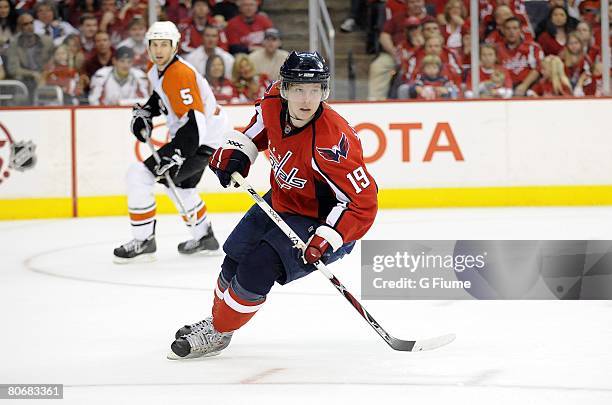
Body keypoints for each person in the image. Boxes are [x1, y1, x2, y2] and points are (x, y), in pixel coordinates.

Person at [168, 51, 378, 359]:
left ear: (324, 91)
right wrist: (238, 153)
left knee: (257, 268)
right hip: (280, 200)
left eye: (315, 90)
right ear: (284, 88)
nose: (307, 99)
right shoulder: (273, 102)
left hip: (319, 220)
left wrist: (326, 238)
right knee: (234, 258)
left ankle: (219, 332)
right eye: (299, 90)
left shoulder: (333, 142)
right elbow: (260, 128)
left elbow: (362, 203)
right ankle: (217, 322)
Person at [113, 21, 230, 262]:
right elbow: (162, 95)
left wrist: (177, 155)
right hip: (205, 136)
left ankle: (144, 239)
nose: (158, 50)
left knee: (138, 174)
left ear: (175, 46)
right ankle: (205, 237)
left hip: (201, 139)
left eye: (164, 45)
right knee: (180, 186)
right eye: (154, 45)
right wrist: (147, 111)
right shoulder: (157, 69)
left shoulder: (180, 73)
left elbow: (195, 123)